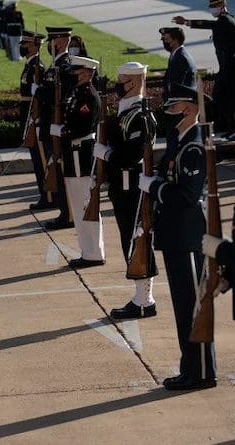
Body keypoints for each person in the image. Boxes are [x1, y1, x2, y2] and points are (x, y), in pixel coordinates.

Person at [138, 83, 215, 390]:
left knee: (192, 306)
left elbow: (185, 195)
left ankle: (200, 372)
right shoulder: (178, 139)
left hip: (187, 236)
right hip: (174, 233)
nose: (167, 112)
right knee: (184, 308)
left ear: (189, 109)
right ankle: (193, 368)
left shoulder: (194, 146)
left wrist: (153, 187)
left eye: (172, 107)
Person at [93, 62, 160, 319]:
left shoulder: (140, 116)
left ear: (134, 81)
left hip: (133, 186)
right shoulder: (127, 111)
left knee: (138, 240)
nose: (118, 85)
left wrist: (107, 154)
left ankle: (144, 300)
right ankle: (142, 297)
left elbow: (131, 156)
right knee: (129, 239)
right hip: (123, 186)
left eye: (122, 80)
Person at [50, 55, 105, 268]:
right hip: (73, 155)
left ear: (87, 72)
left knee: (86, 205)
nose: (73, 74)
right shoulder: (77, 93)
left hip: (81, 154)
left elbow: (82, 128)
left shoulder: (89, 96)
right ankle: (88, 251)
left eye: (77, 71)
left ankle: (94, 253)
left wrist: (62, 132)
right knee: (79, 206)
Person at [173, 0, 235, 136]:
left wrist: (187, 22)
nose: (212, 9)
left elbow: (210, 24)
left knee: (227, 98)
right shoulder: (224, 21)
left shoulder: (226, 20)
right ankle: (231, 128)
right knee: (221, 97)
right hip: (225, 68)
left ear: (222, 6)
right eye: (210, 7)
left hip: (231, 68)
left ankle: (232, 128)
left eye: (214, 6)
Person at [37, 26, 73, 230]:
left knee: (61, 173)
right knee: (56, 172)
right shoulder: (56, 66)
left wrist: (41, 92)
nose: (49, 45)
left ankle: (67, 214)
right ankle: (64, 211)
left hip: (57, 128)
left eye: (51, 41)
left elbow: (59, 98)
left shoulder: (65, 66)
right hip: (51, 126)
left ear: (59, 41)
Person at [18, 30, 51, 209]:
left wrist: (34, 121)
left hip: (34, 119)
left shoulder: (38, 67)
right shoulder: (30, 66)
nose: (22, 47)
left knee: (41, 161)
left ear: (35, 46)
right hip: (28, 117)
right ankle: (44, 195)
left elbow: (38, 98)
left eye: (25, 44)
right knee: (37, 160)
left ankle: (48, 197)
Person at [159, 27, 196, 103]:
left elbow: (177, 84)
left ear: (175, 40)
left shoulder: (181, 57)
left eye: (166, 40)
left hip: (183, 102)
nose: (164, 43)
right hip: (177, 99)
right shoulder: (176, 54)